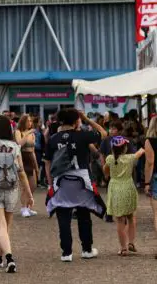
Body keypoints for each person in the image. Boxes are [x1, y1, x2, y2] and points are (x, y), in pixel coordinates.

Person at [44, 108, 108, 262]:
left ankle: (66, 252)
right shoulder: (83, 136)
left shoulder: (53, 138)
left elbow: (47, 162)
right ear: (76, 120)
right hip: (82, 182)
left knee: (63, 215)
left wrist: (50, 182)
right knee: (84, 215)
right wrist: (86, 118)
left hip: (61, 181)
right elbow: (104, 134)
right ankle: (86, 249)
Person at [0, 116, 34, 273]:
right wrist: (29, 194)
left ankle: (9, 258)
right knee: (6, 226)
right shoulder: (15, 146)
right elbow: (22, 172)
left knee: (0, 226)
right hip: (11, 189)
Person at [104, 135, 146, 256]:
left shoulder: (110, 159)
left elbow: (106, 172)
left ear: (112, 148)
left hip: (115, 188)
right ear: (125, 148)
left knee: (119, 220)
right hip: (128, 187)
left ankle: (123, 248)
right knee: (131, 217)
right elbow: (141, 151)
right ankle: (131, 242)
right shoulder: (130, 158)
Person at [15, 115, 39, 217]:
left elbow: (33, 150)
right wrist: (28, 133)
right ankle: (24, 207)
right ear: (23, 121)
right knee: (25, 186)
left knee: (33, 185)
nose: (30, 123)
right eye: (28, 121)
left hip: (30, 158)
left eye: (31, 121)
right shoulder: (18, 132)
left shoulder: (32, 135)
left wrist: (36, 166)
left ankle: (29, 207)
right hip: (21, 157)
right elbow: (19, 143)